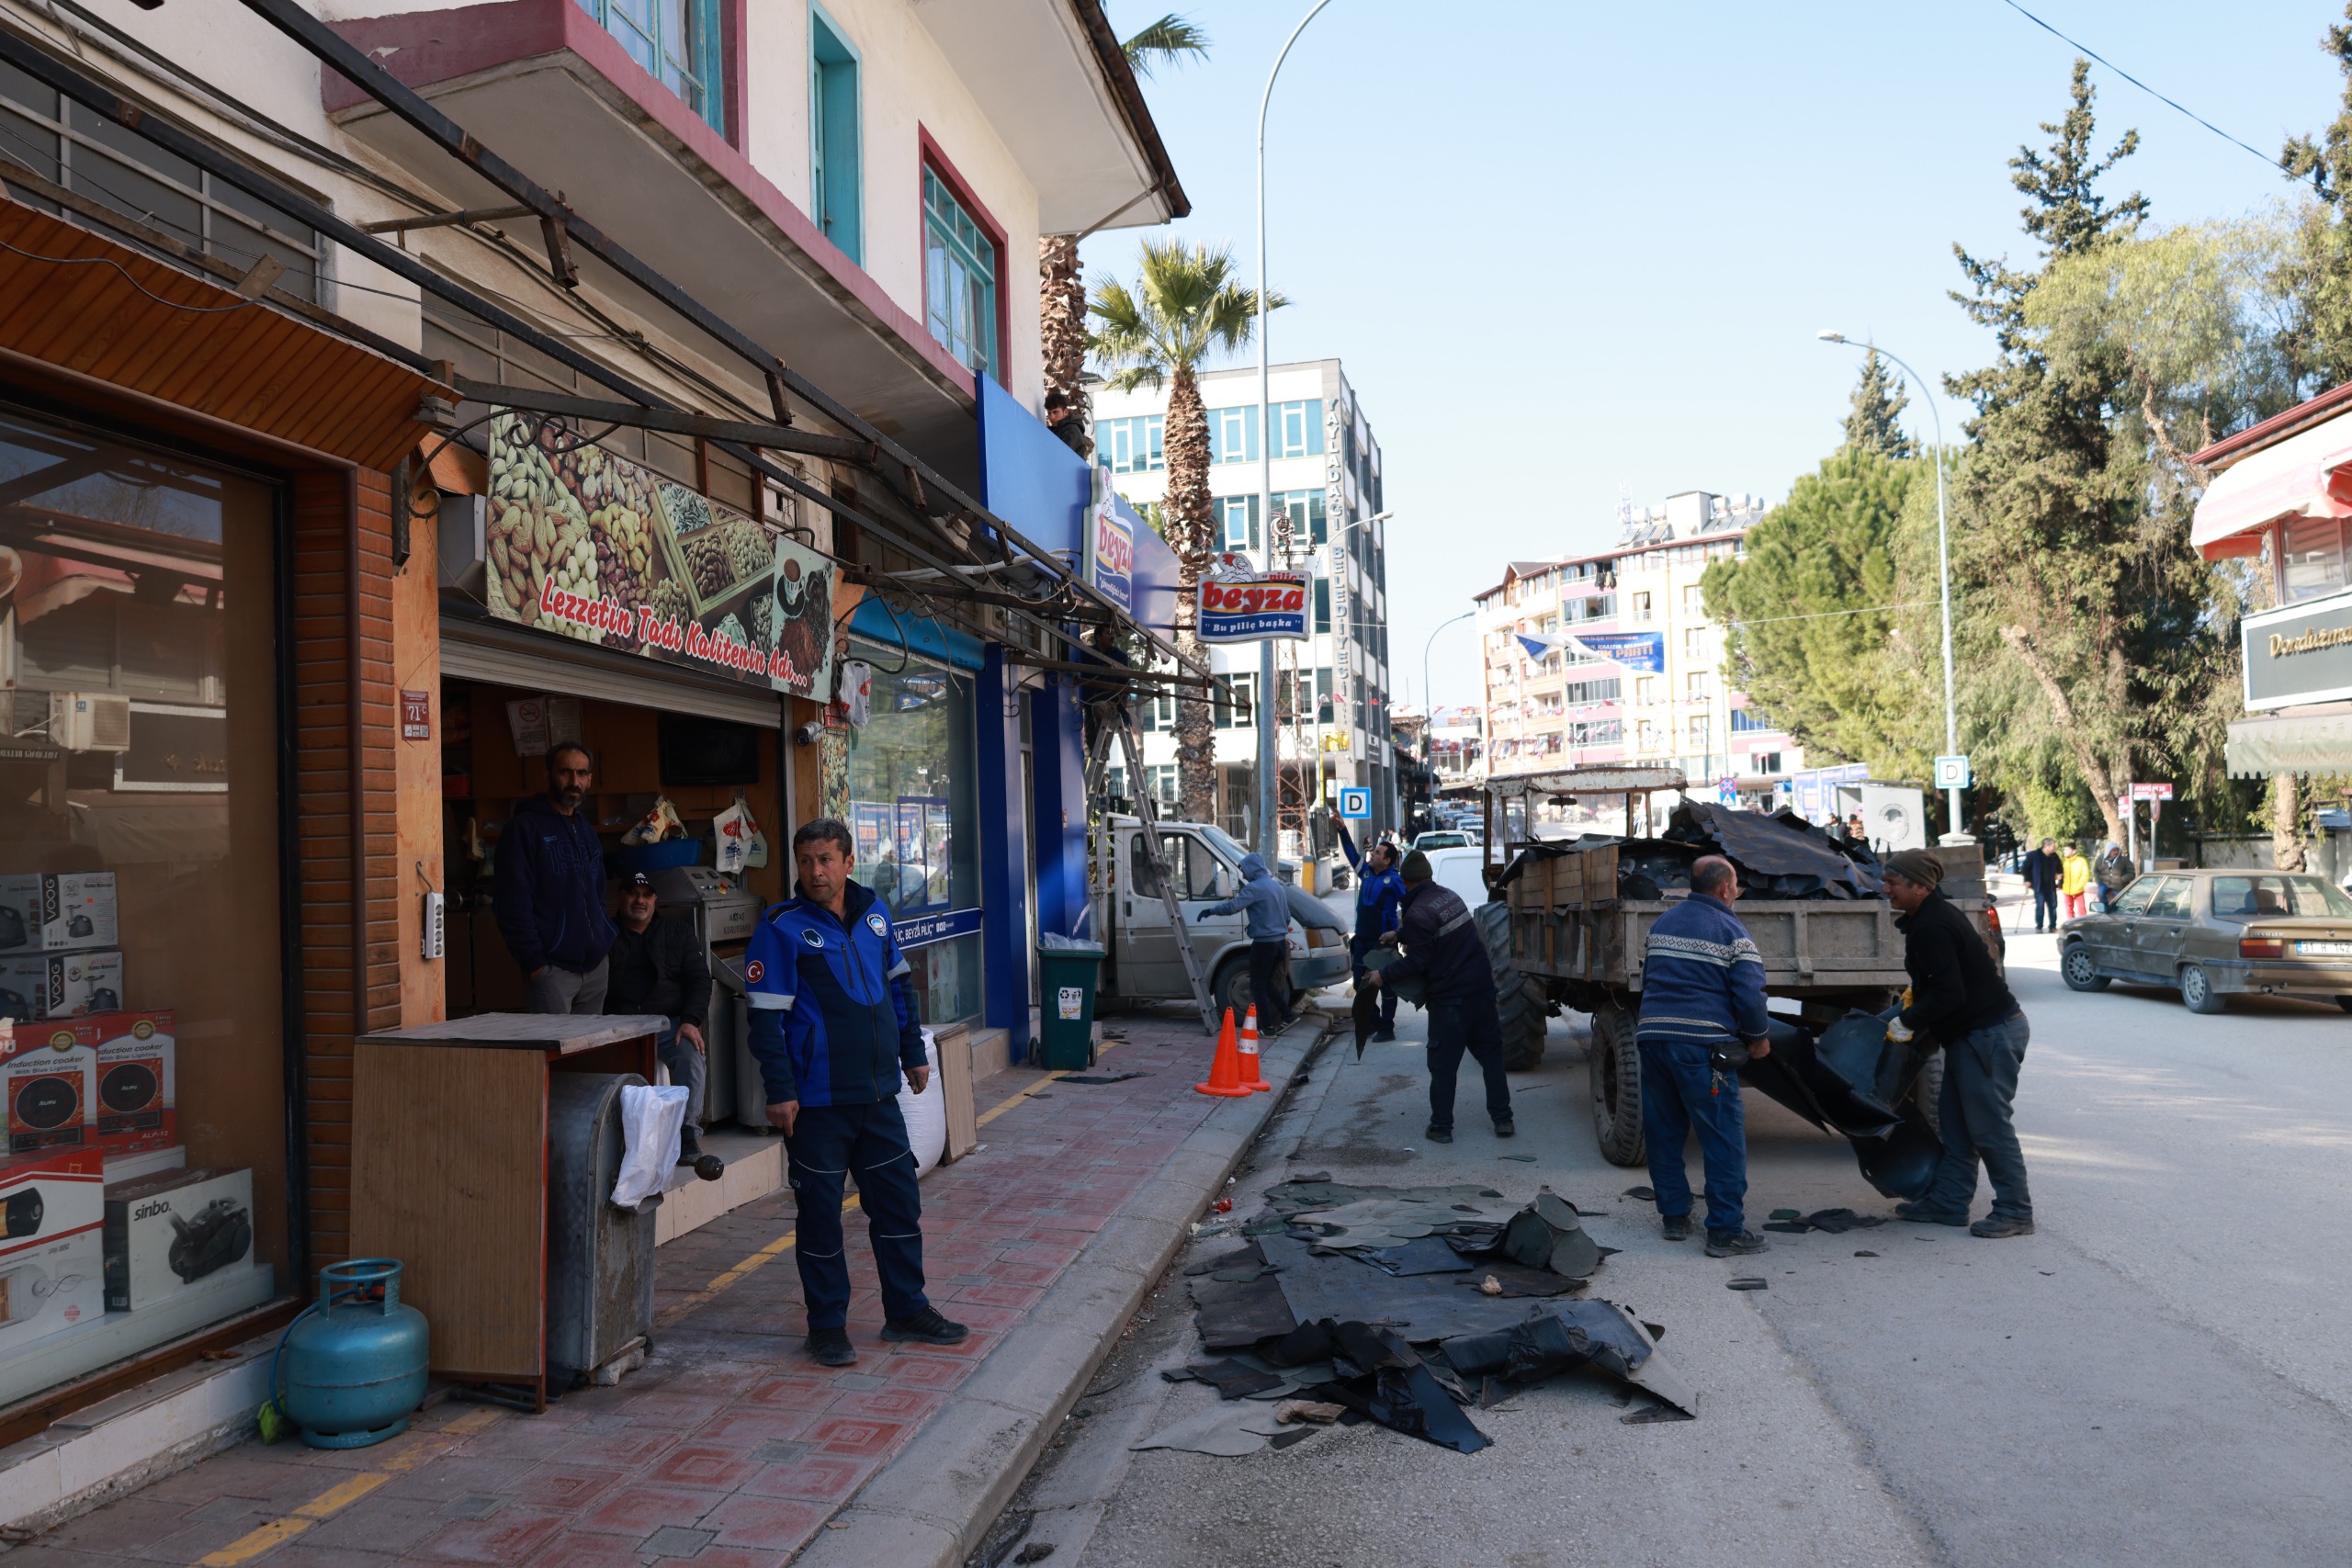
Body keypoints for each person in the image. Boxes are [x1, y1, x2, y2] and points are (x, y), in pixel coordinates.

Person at [744, 818, 967, 1366]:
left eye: (826, 860)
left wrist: (914, 1054)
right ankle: (826, 1327)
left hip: (877, 1095)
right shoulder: (780, 927)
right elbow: (766, 1023)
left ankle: (907, 1310)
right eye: (805, 861)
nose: (815, 872)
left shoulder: (875, 914)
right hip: (816, 1104)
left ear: (848, 862)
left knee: (898, 1206)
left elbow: (900, 989)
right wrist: (780, 1091)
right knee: (820, 1217)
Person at [1882, 849, 2031, 1238]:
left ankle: (2015, 1210)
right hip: (1973, 1035)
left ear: (1920, 886)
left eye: (1893, 883)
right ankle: (1949, 1202)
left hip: (1989, 1035)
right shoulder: (1927, 918)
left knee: (1988, 1127)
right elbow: (1940, 984)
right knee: (1955, 1123)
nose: (1886, 890)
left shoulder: (1934, 925)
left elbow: (1950, 994)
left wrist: (1907, 1021)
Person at [1633, 855, 1770, 1257]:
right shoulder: (1731, 930)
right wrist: (1758, 1039)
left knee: (1663, 1131)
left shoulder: (1663, 924)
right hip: (1701, 1048)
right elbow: (1749, 995)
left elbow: (1649, 979)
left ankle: (1674, 1218)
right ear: (1725, 889)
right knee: (1722, 1137)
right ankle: (1725, 1232)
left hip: (1653, 1038)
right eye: (1737, 885)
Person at [1362, 850, 1513, 1144]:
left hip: (1451, 1001)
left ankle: (1441, 1127)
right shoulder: (1448, 896)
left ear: (1405, 883)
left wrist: (1383, 975)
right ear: (1428, 877)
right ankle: (1503, 1120)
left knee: (1443, 1065)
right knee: (1492, 1058)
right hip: (1481, 991)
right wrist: (1400, 934)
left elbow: (1419, 961)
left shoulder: (1417, 912)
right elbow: (1434, 931)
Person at [605, 871, 719, 1169]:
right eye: (632, 893)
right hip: (619, 1028)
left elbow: (699, 979)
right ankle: (615, 1139)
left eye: (646, 894)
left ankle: (686, 1134)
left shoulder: (677, 932)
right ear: (621, 896)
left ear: (655, 899)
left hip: (668, 1025)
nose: (640, 901)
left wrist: (691, 1020)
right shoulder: (603, 932)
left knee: (691, 1055)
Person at [493, 741, 616, 1013]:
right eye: (565, 772)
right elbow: (511, 901)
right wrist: (534, 962)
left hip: (595, 967)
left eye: (582, 774)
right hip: (552, 970)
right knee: (553, 1052)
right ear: (548, 775)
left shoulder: (587, 830)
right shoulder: (524, 828)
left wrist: (602, 941)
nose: (575, 781)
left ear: (590, 780)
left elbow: (598, 894)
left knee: (588, 1053)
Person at [1197, 852, 1293, 1027]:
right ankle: (1288, 1016)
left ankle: (1267, 1027)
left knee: (1257, 987)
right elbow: (1287, 917)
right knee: (1267, 984)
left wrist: (1211, 911)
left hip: (1264, 945)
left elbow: (1233, 906)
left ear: (1253, 869)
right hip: (1279, 943)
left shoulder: (1254, 888)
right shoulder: (1276, 886)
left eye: (1244, 870)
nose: (1243, 875)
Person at [1336, 821, 1404, 1042]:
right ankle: (1373, 1021)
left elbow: (1411, 906)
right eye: (1373, 851)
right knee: (1359, 983)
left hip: (1383, 942)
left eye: (1377, 853)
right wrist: (1342, 829)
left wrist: (1401, 933)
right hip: (1363, 939)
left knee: (1386, 985)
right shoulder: (1365, 873)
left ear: (1387, 860)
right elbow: (1351, 854)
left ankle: (1387, 1027)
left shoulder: (1394, 880)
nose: (1372, 855)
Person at [2019, 838, 2061, 933]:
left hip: (2051, 886)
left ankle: (2052, 927)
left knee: (2053, 907)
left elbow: (2060, 868)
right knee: (2040, 907)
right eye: (2052, 846)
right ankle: (2039, 926)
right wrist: (2027, 880)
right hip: (2039, 886)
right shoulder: (2034, 855)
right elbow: (2025, 868)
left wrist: (2059, 879)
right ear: (2046, 846)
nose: (2054, 848)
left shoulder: (2054, 857)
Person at [2093, 840, 2132, 912]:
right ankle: (2105, 910)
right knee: (2100, 893)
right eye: (2113, 850)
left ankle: (2118, 911)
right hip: (2105, 882)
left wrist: (2121, 880)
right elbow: (2096, 871)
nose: (2116, 852)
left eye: (2117, 850)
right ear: (2109, 851)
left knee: (2120, 897)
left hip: (2118, 883)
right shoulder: (2101, 859)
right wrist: (2099, 881)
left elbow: (2131, 873)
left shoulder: (2124, 860)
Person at [2058, 843, 2092, 921]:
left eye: (2067, 850)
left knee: (2081, 908)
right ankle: (2071, 923)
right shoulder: (2064, 862)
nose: (2065, 852)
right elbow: (2061, 875)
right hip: (2067, 889)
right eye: (2064, 850)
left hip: (2078, 889)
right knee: (2069, 908)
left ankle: (2083, 923)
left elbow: (2085, 874)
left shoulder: (2081, 861)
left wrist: (2080, 885)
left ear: (2074, 851)